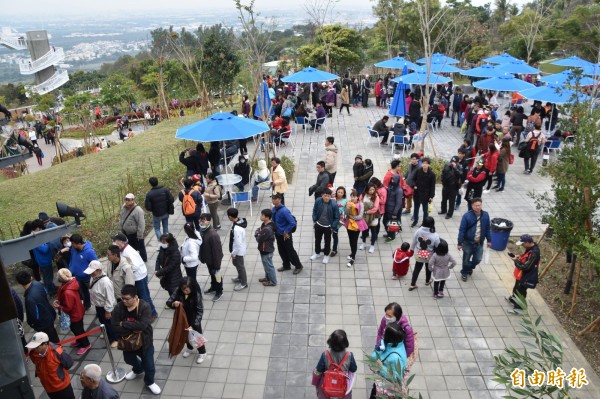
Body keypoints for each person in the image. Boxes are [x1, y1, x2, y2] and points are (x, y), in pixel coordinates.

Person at [113, 284, 161, 395]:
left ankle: (150, 382)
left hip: (145, 341)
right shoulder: (119, 307)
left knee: (149, 365)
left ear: (135, 297)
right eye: (122, 298)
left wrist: (124, 323)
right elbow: (115, 326)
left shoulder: (144, 306)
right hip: (127, 342)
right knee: (128, 359)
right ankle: (138, 369)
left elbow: (143, 326)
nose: (124, 301)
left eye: (127, 299)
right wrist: (133, 328)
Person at [111, 233, 158, 319]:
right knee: (142, 296)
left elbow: (135, 266)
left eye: (115, 242)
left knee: (144, 297)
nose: (113, 243)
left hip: (139, 277)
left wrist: (125, 269)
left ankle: (152, 314)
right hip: (138, 276)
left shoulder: (128, 252)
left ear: (121, 242)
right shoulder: (123, 251)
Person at [166, 277, 207, 364]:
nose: (185, 291)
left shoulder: (196, 295)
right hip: (182, 319)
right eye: (183, 289)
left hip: (193, 319)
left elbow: (200, 311)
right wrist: (174, 304)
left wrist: (195, 324)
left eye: (187, 289)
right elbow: (169, 302)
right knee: (185, 335)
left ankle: (202, 352)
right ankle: (190, 348)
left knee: (197, 336)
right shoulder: (178, 290)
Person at [26, 332, 75, 399]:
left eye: (37, 346)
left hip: (63, 387)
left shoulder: (57, 352)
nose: (35, 348)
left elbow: (69, 363)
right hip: (49, 389)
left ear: (45, 344)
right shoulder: (33, 354)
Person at [54, 269, 90, 355]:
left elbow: (67, 308)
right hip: (78, 311)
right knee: (77, 329)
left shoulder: (67, 292)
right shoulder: (72, 282)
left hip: (74, 314)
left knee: (78, 330)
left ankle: (85, 344)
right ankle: (79, 340)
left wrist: (59, 306)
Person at [16, 269, 59, 343]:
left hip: (43, 323)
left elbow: (33, 315)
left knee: (51, 339)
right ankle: (59, 349)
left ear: (20, 283)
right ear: (31, 277)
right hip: (49, 313)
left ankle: (58, 352)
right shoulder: (38, 284)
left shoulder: (29, 299)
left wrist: (32, 324)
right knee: (53, 335)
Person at [312, 329, 357, 399]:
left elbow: (319, 370)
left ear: (330, 342)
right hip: (342, 385)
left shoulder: (325, 355)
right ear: (345, 342)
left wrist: (315, 381)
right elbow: (353, 369)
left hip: (328, 383)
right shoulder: (349, 356)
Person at [84, 260, 118, 348]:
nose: (91, 274)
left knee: (109, 323)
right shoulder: (94, 277)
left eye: (93, 272)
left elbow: (110, 298)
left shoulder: (106, 282)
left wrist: (108, 311)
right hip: (98, 305)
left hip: (105, 307)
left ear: (99, 270)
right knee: (102, 321)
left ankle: (114, 339)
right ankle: (106, 332)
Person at [369, 323, 408, 399]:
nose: (383, 333)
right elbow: (372, 358)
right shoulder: (397, 342)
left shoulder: (395, 358)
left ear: (389, 337)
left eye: (385, 332)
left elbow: (396, 377)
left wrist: (380, 369)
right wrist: (377, 350)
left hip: (389, 386)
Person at [457, 198, 491, 282]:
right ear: (472, 206)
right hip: (468, 242)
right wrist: (459, 242)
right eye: (475, 205)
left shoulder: (485, 215)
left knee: (478, 259)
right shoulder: (466, 216)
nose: (477, 207)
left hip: (479, 242)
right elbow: (462, 230)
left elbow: (487, 229)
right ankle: (464, 272)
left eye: (479, 205)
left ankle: (469, 267)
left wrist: (489, 240)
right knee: (466, 259)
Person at [506, 234, 540, 313]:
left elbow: (526, 267)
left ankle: (518, 309)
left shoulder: (534, 252)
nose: (522, 245)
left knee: (520, 291)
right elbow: (527, 257)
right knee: (516, 288)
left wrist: (516, 260)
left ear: (527, 242)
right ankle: (513, 300)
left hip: (526, 276)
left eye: (523, 244)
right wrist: (520, 256)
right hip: (522, 275)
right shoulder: (531, 247)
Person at [272, 193, 304, 274]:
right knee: (281, 250)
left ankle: (298, 266)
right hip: (278, 234)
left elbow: (292, 223)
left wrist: (286, 231)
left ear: (279, 200)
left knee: (290, 250)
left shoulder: (284, 211)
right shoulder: (274, 209)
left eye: (274, 199)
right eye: (272, 198)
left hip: (285, 235)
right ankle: (286, 265)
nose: (273, 200)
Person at [408, 217, 441, 291]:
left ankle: (412, 284)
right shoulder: (435, 235)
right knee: (428, 268)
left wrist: (412, 250)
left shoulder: (418, 231)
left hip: (418, 254)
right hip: (429, 255)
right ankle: (427, 281)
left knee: (417, 268)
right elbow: (437, 245)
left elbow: (414, 241)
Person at [310, 188, 339, 265]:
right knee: (317, 240)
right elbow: (314, 210)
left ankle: (326, 255)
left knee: (327, 241)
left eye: (328, 196)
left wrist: (333, 227)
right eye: (325, 196)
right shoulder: (318, 200)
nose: (327, 198)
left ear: (330, 196)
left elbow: (337, 217)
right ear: (322, 195)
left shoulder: (334, 204)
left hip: (328, 227)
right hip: (318, 224)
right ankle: (317, 253)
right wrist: (314, 219)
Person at [199, 214, 224, 301]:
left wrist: (217, 266)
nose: (201, 223)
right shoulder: (204, 231)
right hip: (208, 260)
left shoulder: (213, 235)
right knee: (212, 275)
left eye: (203, 221)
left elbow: (217, 252)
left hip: (214, 261)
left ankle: (219, 291)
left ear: (209, 221)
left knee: (217, 276)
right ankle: (213, 287)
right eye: (201, 221)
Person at [30, 219, 57, 296]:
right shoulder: (36, 238)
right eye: (41, 228)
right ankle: (52, 293)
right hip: (45, 261)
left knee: (45, 277)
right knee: (49, 278)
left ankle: (48, 289)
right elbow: (44, 249)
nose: (42, 229)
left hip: (41, 260)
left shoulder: (33, 235)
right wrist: (49, 242)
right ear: (38, 228)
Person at [144, 177, 174, 242]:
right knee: (165, 226)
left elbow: (148, 207)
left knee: (157, 228)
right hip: (165, 212)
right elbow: (171, 199)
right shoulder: (165, 190)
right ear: (157, 181)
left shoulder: (149, 194)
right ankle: (166, 240)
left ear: (150, 184)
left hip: (156, 214)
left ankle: (161, 241)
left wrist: (153, 209)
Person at [120, 193, 147, 262]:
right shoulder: (123, 208)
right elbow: (122, 218)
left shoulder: (138, 210)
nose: (127, 201)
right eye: (126, 199)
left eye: (129, 200)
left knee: (141, 248)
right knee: (130, 248)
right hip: (126, 233)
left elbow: (141, 223)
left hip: (135, 234)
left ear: (133, 200)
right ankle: (134, 260)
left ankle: (143, 259)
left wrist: (140, 235)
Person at [227, 208, 249, 291]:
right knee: (236, 264)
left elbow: (238, 244)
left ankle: (243, 283)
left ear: (230, 217)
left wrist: (233, 253)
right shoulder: (239, 222)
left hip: (238, 251)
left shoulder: (237, 229)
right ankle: (240, 277)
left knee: (240, 266)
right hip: (237, 250)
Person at [155, 233, 183, 298]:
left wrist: (159, 273)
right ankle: (172, 302)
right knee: (169, 290)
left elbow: (170, 267)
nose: (162, 243)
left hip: (174, 277)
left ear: (169, 242)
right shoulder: (162, 248)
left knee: (174, 292)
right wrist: (157, 269)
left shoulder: (175, 253)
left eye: (164, 242)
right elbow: (158, 259)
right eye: (161, 242)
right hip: (166, 275)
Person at [255, 208, 277, 286]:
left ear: (267, 217)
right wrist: (259, 232)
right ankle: (267, 278)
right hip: (264, 249)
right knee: (266, 265)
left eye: (262, 215)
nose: (260, 216)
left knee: (269, 266)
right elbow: (259, 230)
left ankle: (273, 281)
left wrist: (257, 233)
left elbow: (259, 239)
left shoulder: (267, 229)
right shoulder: (266, 224)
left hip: (266, 250)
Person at [411, 157, 436, 227]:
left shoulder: (432, 174)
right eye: (423, 163)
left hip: (426, 195)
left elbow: (432, 186)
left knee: (425, 210)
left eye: (426, 164)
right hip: (417, 193)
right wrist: (414, 185)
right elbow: (413, 179)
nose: (424, 165)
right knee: (416, 208)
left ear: (429, 165)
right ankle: (415, 220)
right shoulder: (418, 171)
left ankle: (425, 222)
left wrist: (431, 196)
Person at [344, 189, 366, 268]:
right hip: (349, 224)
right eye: (351, 197)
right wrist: (348, 208)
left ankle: (353, 258)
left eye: (354, 197)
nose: (352, 198)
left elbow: (360, 216)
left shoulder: (361, 205)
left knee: (354, 240)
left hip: (357, 224)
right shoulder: (348, 203)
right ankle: (352, 253)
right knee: (350, 239)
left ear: (357, 197)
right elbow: (345, 213)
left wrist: (351, 217)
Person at [360, 184, 381, 252]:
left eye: (373, 189)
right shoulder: (363, 195)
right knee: (364, 231)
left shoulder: (376, 197)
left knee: (373, 231)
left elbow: (375, 208)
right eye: (370, 190)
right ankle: (363, 243)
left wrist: (366, 212)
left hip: (373, 217)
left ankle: (372, 245)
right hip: (364, 217)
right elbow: (360, 203)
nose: (371, 191)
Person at [383, 175, 403, 243]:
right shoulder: (391, 187)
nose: (392, 181)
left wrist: (395, 212)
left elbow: (399, 203)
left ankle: (392, 237)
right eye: (392, 180)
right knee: (385, 221)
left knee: (390, 224)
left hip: (392, 210)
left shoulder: (399, 190)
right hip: (387, 208)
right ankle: (389, 234)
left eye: (394, 180)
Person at [330, 186, 347, 258]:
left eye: (341, 192)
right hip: (330, 218)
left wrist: (343, 218)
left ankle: (334, 249)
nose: (340, 193)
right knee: (327, 235)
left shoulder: (345, 201)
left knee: (334, 235)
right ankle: (326, 248)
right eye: (338, 192)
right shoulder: (332, 199)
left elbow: (345, 211)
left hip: (337, 220)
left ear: (344, 194)